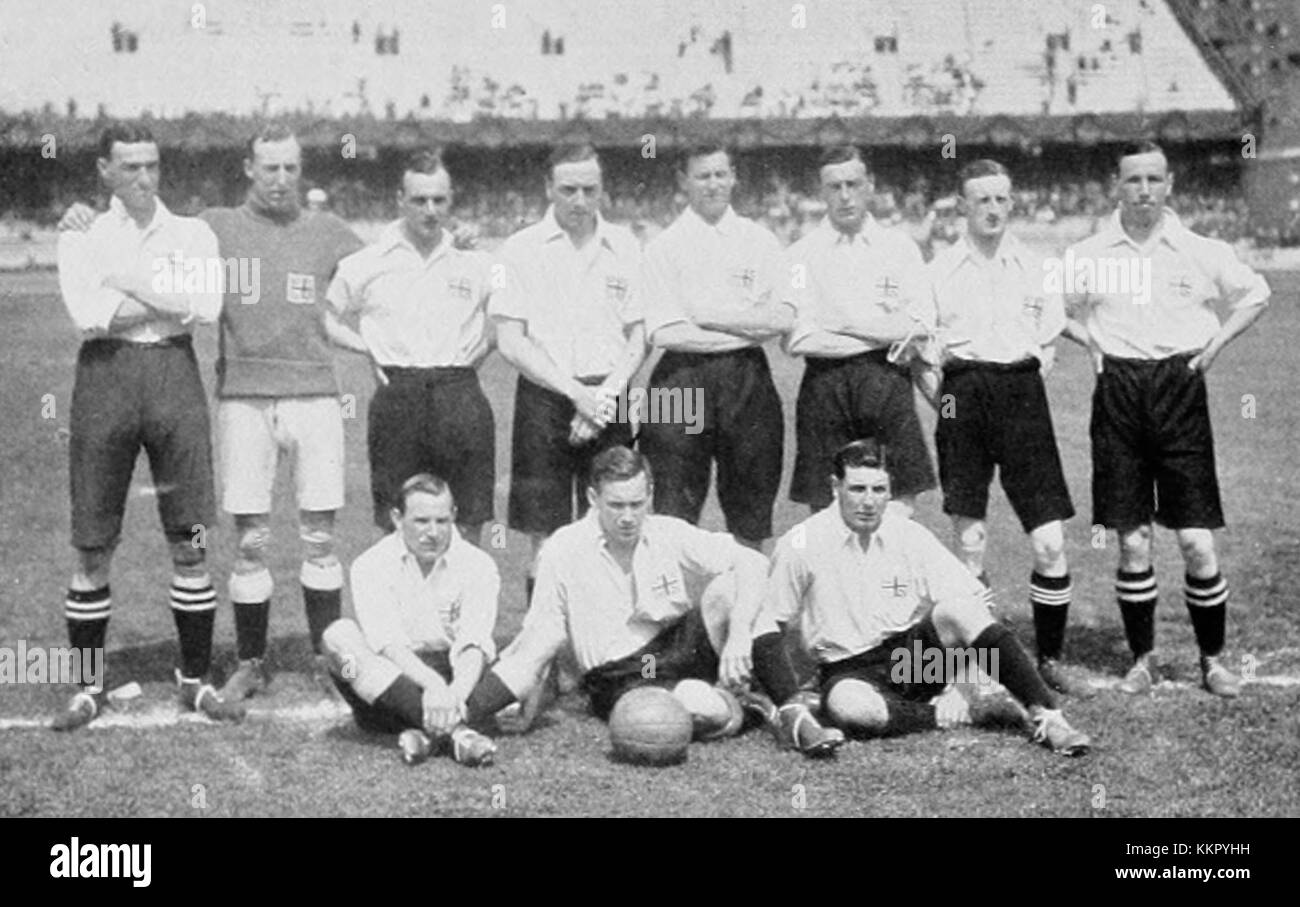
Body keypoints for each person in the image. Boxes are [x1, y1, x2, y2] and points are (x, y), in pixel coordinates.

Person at [456, 447, 847, 758]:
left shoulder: (665, 531)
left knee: (735, 584)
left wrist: (741, 634)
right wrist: (522, 697)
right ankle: (751, 703)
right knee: (703, 707)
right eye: (616, 505)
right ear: (593, 498)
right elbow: (540, 635)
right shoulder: (562, 550)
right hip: (622, 675)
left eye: (637, 504)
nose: (628, 517)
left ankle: (793, 710)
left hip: (677, 644)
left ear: (650, 496)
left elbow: (753, 561)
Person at [1061, 141, 1269, 697]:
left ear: (1170, 184)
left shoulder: (1200, 249)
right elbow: (1044, 306)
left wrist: (1217, 344)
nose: (1144, 190)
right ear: (1117, 185)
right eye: (1134, 180)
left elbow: (1256, 294)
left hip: (1180, 390)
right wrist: (1090, 342)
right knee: (1132, 542)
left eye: (1154, 179)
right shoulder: (1089, 253)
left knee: (1197, 541)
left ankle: (1213, 659)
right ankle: (1143, 658)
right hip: (1120, 392)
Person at [51, 122, 242, 729]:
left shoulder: (193, 231)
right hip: (105, 380)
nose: (143, 177)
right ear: (104, 170)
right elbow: (90, 316)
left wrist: (129, 282)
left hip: (173, 376)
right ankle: (86, 687)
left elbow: (207, 306)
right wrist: (170, 290)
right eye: (130, 166)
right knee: (93, 540)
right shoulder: (82, 233)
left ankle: (193, 678)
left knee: (191, 537)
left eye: (152, 165)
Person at [750, 439, 1091, 755]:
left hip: (912, 661)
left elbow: (973, 604)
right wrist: (788, 697)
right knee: (848, 708)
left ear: (889, 492)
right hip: (848, 670)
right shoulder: (802, 543)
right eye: (857, 489)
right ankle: (950, 715)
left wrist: (962, 680)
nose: (868, 501)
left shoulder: (908, 533)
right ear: (835, 487)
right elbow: (768, 622)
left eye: (878, 490)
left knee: (958, 608)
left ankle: (1049, 717)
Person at [201, 125, 367, 700]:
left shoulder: (329, 232)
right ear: (248, 167)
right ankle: (251, 661)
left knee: (320, 537)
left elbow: (389, 274)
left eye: (291, 168)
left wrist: (460, 242)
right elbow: (148, 241)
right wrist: (82, 218)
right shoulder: (214, 226)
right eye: (269, 168)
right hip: (243, 397)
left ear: (302, 171)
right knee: (250, 538)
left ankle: (330, 660)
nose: (280, 179)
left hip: (317, 396)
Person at [920, 159, 1092, 699]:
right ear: (963, 206)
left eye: (1001, 199)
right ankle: (980, 663)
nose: (993, 209)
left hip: (1021, 398)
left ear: (1011, 203)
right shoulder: (938, 271)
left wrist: (1027, 376)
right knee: (970, 542)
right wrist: (946, 405)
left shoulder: (1037, 267)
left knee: (1047, 541)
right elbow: (923, 358)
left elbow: (1046, 344)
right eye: (982, 200)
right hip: (962, 395)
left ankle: (1052, 658)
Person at [489, 143, 646, 602]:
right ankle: (548, 658)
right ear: (548, 189)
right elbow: (510, 340)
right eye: (569, 189)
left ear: (602, 190)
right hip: (545, 397)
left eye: (590, 189)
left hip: (610, 396)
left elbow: (641, 334)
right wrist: (577, 394)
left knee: (619, 526)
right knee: (546, 536)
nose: (580, 200)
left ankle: (615, 648)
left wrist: (604, 397)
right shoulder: (517, 250)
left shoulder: (626, 245)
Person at [327, 149, 495, 545]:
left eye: (439, 200)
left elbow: (516, 315)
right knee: (396, 523)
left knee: (468, 521)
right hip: (397, 394)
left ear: (451, 199)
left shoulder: (478, 262)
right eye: (419, 200)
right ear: (399, 201)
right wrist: (364, 347)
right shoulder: (366, 262)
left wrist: (486, 347)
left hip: (460, 392)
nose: (430, 210)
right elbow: (323, 316)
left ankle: (463, 605)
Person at [639, 143, 790, 550]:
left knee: (752, 504)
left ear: (734, 176)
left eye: (721, 174)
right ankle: (669, 611)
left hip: (747, 376)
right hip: (676, 379)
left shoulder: (760, 241)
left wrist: (708, 316)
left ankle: (748, 607)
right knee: (670, 507)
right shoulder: (662, 247)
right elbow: (664, 333)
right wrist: (746, 326)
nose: (713, 184)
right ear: (683, 181)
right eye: (703, 176)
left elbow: (782, 319)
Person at [781, 146, 936, 516]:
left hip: (887, 380)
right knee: (825, 512)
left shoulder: (899, 248)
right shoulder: (801, 255)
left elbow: (918, 326)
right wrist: (881, 332)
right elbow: (798, 337)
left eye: (853, 183)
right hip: (825, 386)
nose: (845, 195)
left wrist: (844, 323)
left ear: (870, 185)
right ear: (821, 191)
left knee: (899, 508)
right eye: (834, 186)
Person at [321, 474, 498, 766]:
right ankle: (459, 735)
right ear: (397, 518)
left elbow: (473, 644)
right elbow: (388, 646)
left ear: (454, 516)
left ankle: (426, 734)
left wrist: (450, 694)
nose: (433, 532)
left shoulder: (479, 565)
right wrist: (432, 686)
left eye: (442, 521)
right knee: (337, 638)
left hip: (456, 685)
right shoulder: (370, 565)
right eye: (421, 521)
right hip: (386, 688)